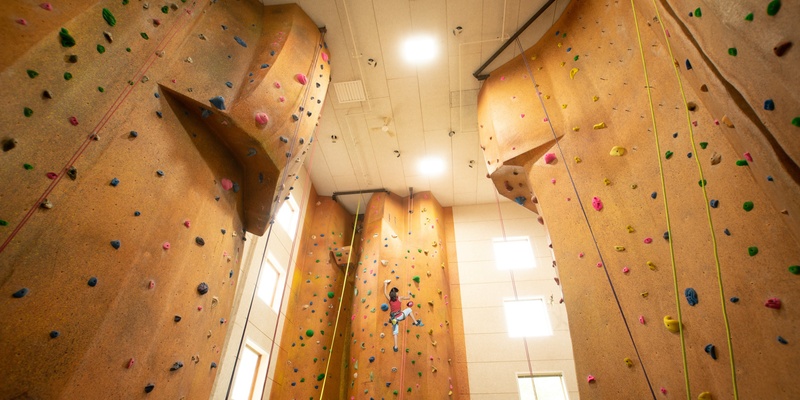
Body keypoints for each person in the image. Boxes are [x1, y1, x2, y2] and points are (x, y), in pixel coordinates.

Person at [383, 279, 423, 352]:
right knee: (409, 310)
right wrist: (409, 293)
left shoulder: (390, 299)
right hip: (401, 316)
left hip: (394, 319)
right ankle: (416, 322)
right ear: (396, 293)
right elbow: (408, 298)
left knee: (395, 333)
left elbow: (385, 293)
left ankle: (395, 347)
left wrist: (385, 284)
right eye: (398, 292)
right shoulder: (400, 298)